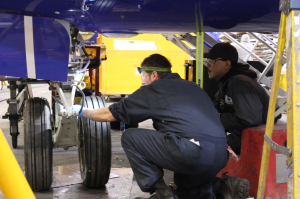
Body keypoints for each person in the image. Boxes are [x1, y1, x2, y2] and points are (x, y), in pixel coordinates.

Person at [73, 54, 240, 199]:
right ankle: (223, 188)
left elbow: (108, 114)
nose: (142, 82)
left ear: (154, 75)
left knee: (131, 137)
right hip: (220, 154)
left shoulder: (154, 89)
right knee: (187, 193)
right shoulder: (192, 87)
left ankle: (160, 192)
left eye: (143, 76)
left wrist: (81, 111)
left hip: (191, 152)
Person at [204, 42, 270, 155]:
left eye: (211, 61)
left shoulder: (239, 82)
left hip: (251, 139)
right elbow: (216, 107)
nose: (208, 65)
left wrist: (219, 118)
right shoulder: (227, 81)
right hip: (240, 135)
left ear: (227, 64)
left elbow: (249, 118)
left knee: (199, 149)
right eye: (207, 61)